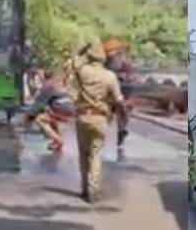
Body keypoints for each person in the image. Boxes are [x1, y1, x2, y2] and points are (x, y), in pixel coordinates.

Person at [69, 38, 126, 203]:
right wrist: (122, 117)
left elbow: (74, 61)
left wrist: (82, 49)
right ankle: (94, 190)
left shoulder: (82, 71)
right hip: (100, 118)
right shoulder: (110, 76)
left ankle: (84, 189)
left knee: (83, 154)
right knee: (96, 153)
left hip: (82, 117)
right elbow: (119, 100)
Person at [24, 74, 76, 152]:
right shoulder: (60, 86)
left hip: (61, 110)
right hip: (72, 111)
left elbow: (38, 105)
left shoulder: (47, 87)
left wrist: (27, 117)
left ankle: (58, 140)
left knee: (40, 119)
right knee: (51, 116)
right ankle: (56, 142)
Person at [104, 38, 134, 161]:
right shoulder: (112, 61)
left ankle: (119, 136)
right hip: (116, 90)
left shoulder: (115, 61)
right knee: (119, 115)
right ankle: (119, 136)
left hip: (117, 90)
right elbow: (129, 76)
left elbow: (129, 76)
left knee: (118, 115)